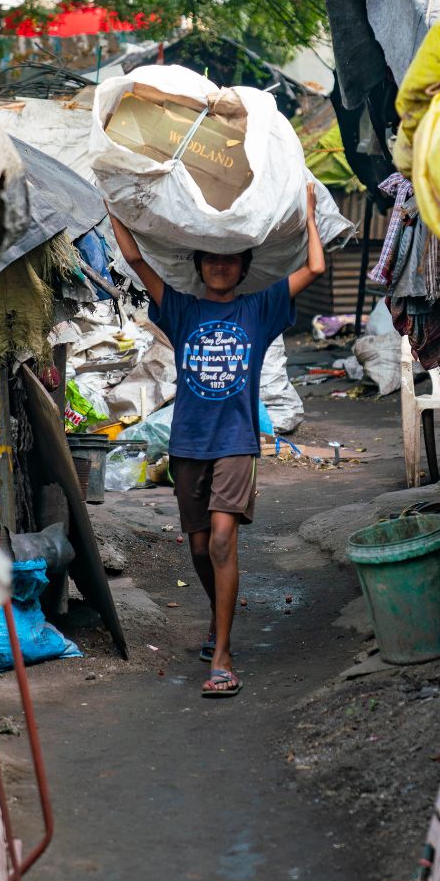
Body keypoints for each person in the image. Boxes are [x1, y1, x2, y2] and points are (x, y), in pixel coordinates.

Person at [106, 185, 326, 697]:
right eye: (213, 259)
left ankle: (224, 655)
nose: (221, 267)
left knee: (224, 539)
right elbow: (136, 258)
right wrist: (114, 205)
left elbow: (314, 268)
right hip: (187, 445)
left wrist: (310, 213)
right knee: (201, 547)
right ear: (200, 266)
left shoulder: (260, 309)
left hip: (235, 443)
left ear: (244, 267)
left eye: (231, 260)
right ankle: (216, 617)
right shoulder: (181, 311)